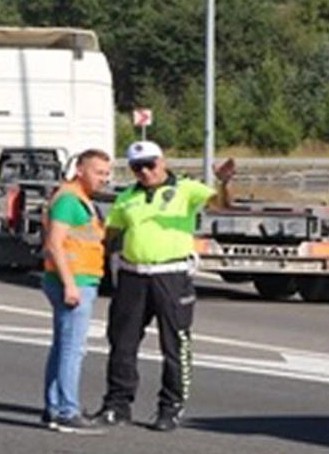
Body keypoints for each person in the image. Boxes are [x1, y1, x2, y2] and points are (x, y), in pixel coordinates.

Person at [92, 141, 234, 433]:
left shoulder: (185, 189)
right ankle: (117, 405)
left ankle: (170, 407)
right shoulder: (127, 197)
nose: (145, 171)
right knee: (122, 343)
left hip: (171, 275)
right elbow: (112, 233)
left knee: (175, 344)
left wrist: (224, 183)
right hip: (133, 275)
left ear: (163, 162)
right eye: (137, 167)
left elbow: (221, 206)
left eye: (150, 164)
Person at [40, 149, 112, 433]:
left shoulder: (76, 199)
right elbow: (55, 243)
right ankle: (67, 411)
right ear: (80, 170)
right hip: (73, 281)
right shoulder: (70, 199)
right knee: (72, 349)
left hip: (76, 279)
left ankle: (54, 407)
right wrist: (70, 283)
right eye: (99, 172)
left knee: (62, 347)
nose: (104, 179)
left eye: (107, 173)